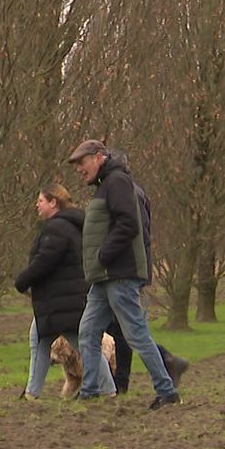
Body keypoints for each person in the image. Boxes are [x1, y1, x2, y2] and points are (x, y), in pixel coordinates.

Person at [67, 139, 180, 409]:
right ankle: (90, 390)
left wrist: (104, 255)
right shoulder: (105, 186)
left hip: (119, 273)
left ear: (98, 157)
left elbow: (128, 224)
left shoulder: (116, 182)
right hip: (104, 276)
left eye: (82, 163)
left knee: (135, 333)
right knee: (88, 332)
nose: (79, 170)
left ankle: (167, 391)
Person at [13, 183, 109, 399]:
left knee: (84, 345)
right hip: (63, 299)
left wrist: (22, 280)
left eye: (40, 201)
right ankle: (31, 393)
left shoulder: (57, 228)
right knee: (40, 340)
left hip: (60, 302)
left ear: (53, 202)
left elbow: (45, 261)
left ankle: (108, 389)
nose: (36, 205)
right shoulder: (73, 225)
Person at [105, 151, 189, 394]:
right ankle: (121, 380)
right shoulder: (134, 191)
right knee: (122, 327)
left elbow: (134, 231)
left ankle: (156, 370)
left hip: (127, 270)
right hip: (130, 268)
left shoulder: (127, 193)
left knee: (129, 328)